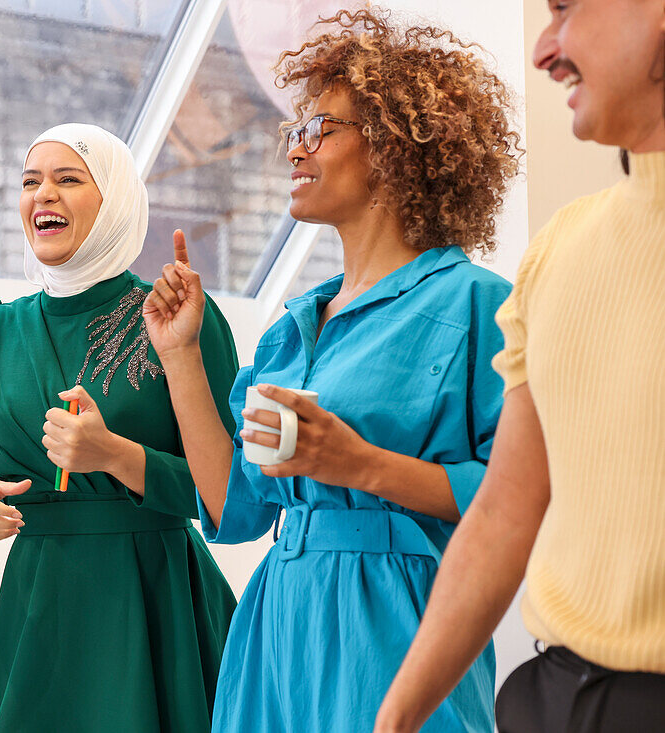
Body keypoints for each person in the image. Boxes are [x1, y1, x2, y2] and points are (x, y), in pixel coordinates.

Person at [143, 9, 521, 732]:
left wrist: (361, 464)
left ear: (396, 148)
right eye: (295, 130)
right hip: (278, 628)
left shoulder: (476, 304)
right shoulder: (293, 328)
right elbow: (236, 509)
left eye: (319, 129)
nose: (295, 149)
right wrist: (181, 356)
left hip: (396, 625)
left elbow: (515, 499)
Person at [376, 1, 665, 730]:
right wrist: (397, 716)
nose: (545, 50)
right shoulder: (560, 249)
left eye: (566, 8)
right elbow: (504, 513)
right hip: (551, 698)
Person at [0, 123, 238, 732]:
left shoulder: (177, 316)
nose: (42, 194)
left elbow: (232, 495)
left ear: (116, 200)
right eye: (30, 182)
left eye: (67, 179)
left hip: (157, 601)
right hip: (38, 605)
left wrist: (116, 455)